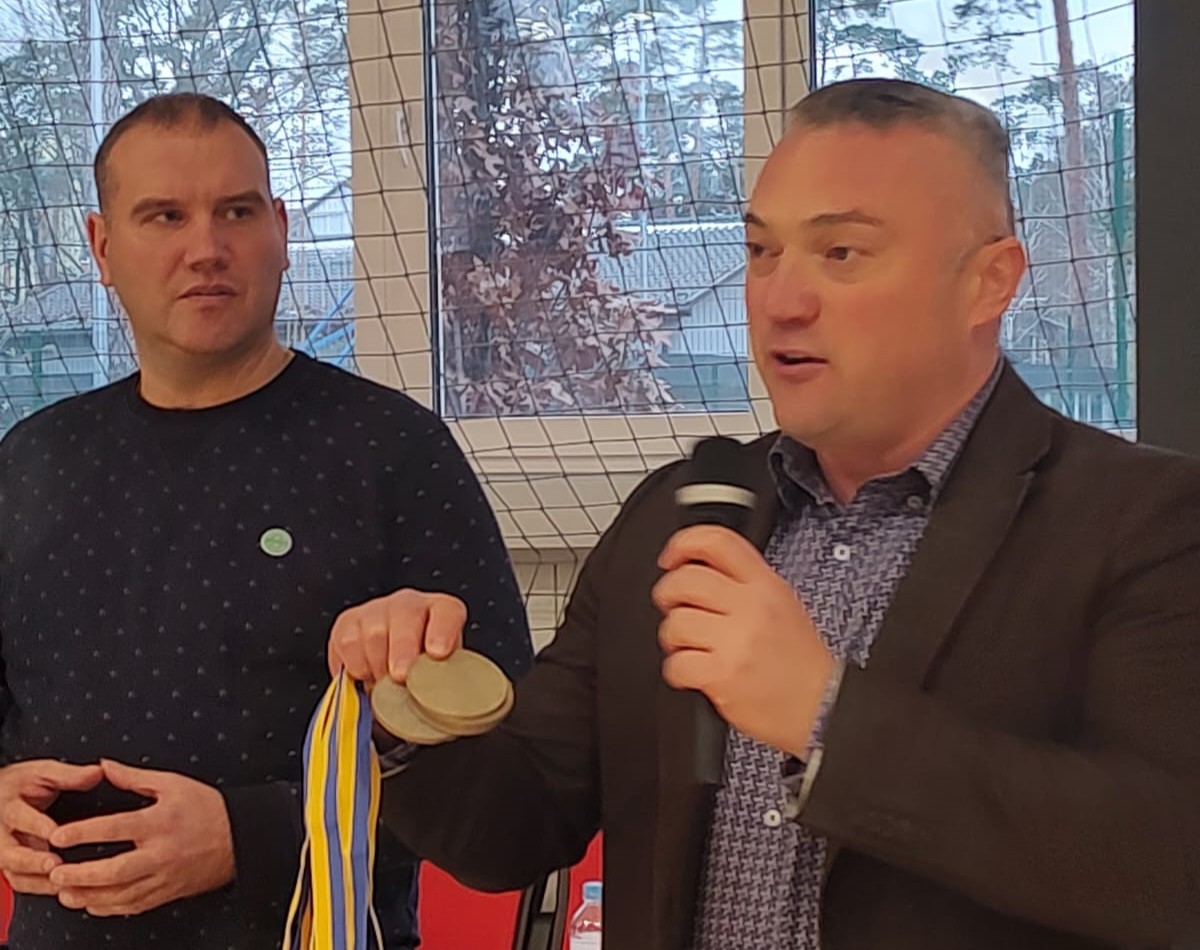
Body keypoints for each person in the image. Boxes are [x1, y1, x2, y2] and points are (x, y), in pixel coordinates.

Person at [331, 78, 1200, 949]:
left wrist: (826, 717)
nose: (781, 300)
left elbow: (1168, 865)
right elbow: (512, 830)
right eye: (760, 251)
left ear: (988, 281)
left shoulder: (1147, 523)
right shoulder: (678, 516)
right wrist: (409, 710)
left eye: (842, 253)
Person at [0, 93, 533, 949]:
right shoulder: (30, 463)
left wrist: (251, 837)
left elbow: (508, 779)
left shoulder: (392, 452)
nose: (206, 248)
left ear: (280, 231)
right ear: (101, 247)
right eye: (165, 216)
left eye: (237, 212)